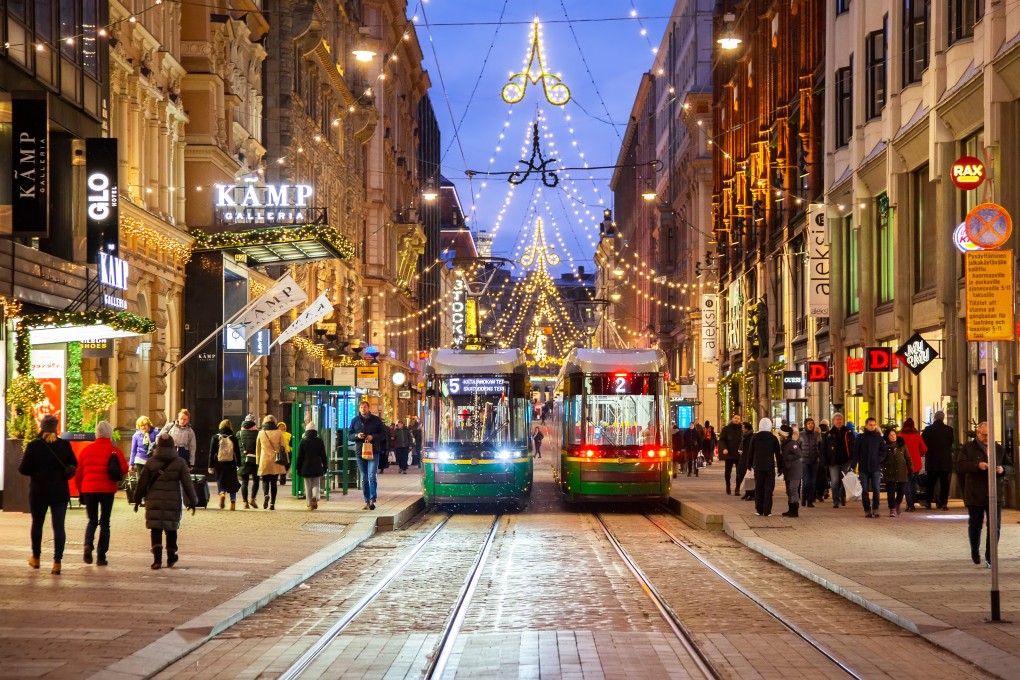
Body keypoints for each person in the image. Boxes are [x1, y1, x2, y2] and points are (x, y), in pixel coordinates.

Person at [19, 415, 77, 574]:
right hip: (59, 492)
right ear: (56, 428)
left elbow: (23, 469)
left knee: (37, 524)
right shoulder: (64, 445)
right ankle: (57, 562)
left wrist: (37, 471)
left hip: (39, 492)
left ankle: (36, 558)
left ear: (42, 427)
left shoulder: (33, 446)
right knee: (59, 526)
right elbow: (74, 464)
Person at [134, 434, 197, 569]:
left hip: (154, 501)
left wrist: (136, 499)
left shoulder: (150, 462)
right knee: (171, 529)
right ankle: (171, 557)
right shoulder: (180, 462)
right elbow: (187, 484)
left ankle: (157, 560)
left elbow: (142, 483)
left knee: (155, 529)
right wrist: (193, 501)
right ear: (172, 445)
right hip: (172, 501)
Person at [957, 422, 1013, 567]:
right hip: (975, 493)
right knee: (975, 525)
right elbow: (960, 466)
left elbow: (1010, 466)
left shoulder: (998, 449)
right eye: (985, 435)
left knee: (995, 527)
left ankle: (990, 557)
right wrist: (977, 466)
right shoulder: (968, 448)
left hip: (995, 493)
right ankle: (975, 550)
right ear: (978, 433)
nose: (987, 438)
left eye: (990, 435)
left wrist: (1003, 469)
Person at [74, 421, 128, 566]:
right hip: (107, 490)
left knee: (92, 520)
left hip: (89, 490)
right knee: (105, 522)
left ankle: (87, 544)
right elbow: (124, 469)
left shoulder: (86, 450)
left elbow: (78, 474)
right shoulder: (115, 450)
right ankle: (101, 556)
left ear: (96, 433)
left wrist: (81, 490)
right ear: (110, 433)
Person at [350, 401, 386, 510]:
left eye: (365, 407)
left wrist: (373, 437)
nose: (363, 409)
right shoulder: (355, 421)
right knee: (364, 477)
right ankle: (366, 500)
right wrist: (357, 435)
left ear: (368, 408)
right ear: (359, 409)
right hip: (360, 452)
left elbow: (383, 434)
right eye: (361, 407)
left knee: (372, 475)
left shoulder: (376, 420)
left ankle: (372, 499)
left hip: (373, 451)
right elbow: (349, 435)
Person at [851, 418, 887, 518]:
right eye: (870, 425)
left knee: (876, 488)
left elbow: (883, 452)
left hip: (875, 467)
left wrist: (878, 460)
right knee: (865, 490)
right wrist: (853, 466)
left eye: (874, 425)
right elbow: (856, 453)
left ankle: (875, 508)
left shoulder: (878, 438)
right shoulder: (860, 438)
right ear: (866, 425)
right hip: (863, 468)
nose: (872, 426)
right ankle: (867, 509)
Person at [921, 411, 955, 510]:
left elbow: (923, 443)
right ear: (943, 418)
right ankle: (943, 502)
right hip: (945, 460)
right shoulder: (949, 430)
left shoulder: (928, 429)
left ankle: (928, 502)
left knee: (931, 482)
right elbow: (951, 442)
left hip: (932, 460)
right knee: (945, 483)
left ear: (934, 418)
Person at [748, 418, 781, 516]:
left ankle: (759, 509)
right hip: (769, 466)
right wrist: (780, 467)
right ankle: (767, 510)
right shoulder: (773, 438)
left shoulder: (755, 437)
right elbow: (778, 454)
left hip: (757, 465)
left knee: (758, 487)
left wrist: (748, 465)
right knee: (769, 488)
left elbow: (750, 452)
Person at [208, 419, 241, 510]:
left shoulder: (215, 437)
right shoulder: (233, 438)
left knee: (220, 480)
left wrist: (210, 466)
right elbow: (237, 452)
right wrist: (239, 463)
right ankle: (233, 503)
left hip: (219, 463)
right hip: (231, 462)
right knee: (232, 482)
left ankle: (222, 493)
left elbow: (211, 453)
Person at [255, 415, 288, 510]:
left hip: (264, 459)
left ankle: (266, 495)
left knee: (265, 480)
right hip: (276, 460)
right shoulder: (279, 432)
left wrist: (258, 461)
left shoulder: (261, 433)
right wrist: (286, 460)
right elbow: (283, 446)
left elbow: (258, 448)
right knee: (274, 482)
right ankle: (272, 504)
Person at [824, 413, 855, 509]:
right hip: (833, 462)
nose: (839, 421)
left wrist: (853, 458)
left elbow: (853, 445)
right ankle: (835, 500)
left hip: (846, 461)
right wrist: (825, 461)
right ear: (833, 421)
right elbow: (824, 448)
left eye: (840, 419)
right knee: (835, 482)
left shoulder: (848, 432)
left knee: (844, 481)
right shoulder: (829, 434)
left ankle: (843, 497)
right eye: (837, 419)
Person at [296, 421, 328, 510]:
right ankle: (315, 496)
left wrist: (298, 468)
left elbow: (299, 456)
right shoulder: (319, 441)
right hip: (317, 466)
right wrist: (325, 466)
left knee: (308, 485)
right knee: (316, 484)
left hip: (305, 467)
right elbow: (323, 455)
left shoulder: (303, 441)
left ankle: (309, 504)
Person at [897, 418, 927, 511]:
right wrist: (919, 454)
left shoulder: (900, 437)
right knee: (913, 484)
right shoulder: (917, 436)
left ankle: (909, 504)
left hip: (903, 464)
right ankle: (912, 503)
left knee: (906, 484)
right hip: (916, 464)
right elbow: (924, 449)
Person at [882, 427, 913, 517]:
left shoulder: (902, 445)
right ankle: (892, 509)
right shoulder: (885, 446)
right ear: (887, 437)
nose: (893, 436)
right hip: (889, 472)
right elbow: (881, 458)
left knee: (901, 492)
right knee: (890, 492)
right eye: (890, 435)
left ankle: (897, 503)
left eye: (894, 434)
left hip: (901, 472)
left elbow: (908, 457)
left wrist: (911, 468)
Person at [778, 424, 803, 517]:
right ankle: (790, 509)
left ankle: (795, 510)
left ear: (785, 434)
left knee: (793, 490)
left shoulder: (793, 443)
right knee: (788, 491)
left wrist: (788, 458)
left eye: (780, 434)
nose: (779, 435)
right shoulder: (784, 444)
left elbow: (799, 454)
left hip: (795, 470)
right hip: (788, 470)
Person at [798, 418, 822, 508]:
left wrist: (820, 456)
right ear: (805, 425)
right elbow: (797, 447)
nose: (811, 425)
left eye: (812, 423)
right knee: (806, 481)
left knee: (813, 482)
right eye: (809, 423)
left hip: (815, 461)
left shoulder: (817, 435)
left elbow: (820, 446)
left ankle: (810, 500)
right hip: (804, 461)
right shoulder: (801, 435)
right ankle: (804, 498)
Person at [237, 417, 260, 509]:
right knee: (256, 480)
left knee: (244, 482)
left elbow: (237, 447)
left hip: (243, 459)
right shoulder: (257, 433)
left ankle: (245, 502)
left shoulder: (239, 433)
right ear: (254, 423)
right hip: (255, 459)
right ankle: (252, 499)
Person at [717, 415, 743, 495]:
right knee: (728, 472)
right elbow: (722, 440)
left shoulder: (742, 429)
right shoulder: (726, 429)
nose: (736, 420)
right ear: (732, 419)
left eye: (738, 418)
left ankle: (737, 488)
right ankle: (728, 485)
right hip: (729, 454)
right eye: (735, 418)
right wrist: (724, 448)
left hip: (739, 454)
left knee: (740, 472)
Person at [737, 421, 754, 499]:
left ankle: (751, 493)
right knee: (744, 475)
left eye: (743, 428)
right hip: (744, 457)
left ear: (746, 429)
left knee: (749, 476)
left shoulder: (751, 437)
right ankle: (747, 492)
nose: (742, 429)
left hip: (748, 458)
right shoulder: (744, 436)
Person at [277, 421, 292, 486]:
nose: (281, 427)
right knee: (279, 465)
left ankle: (283, 477)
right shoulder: (276, 434)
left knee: (287, 466)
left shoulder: (288, 435)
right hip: (279, 452)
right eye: (280, 426)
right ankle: (282, 479)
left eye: (282, 426)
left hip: (287, 452)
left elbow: (291, 444)